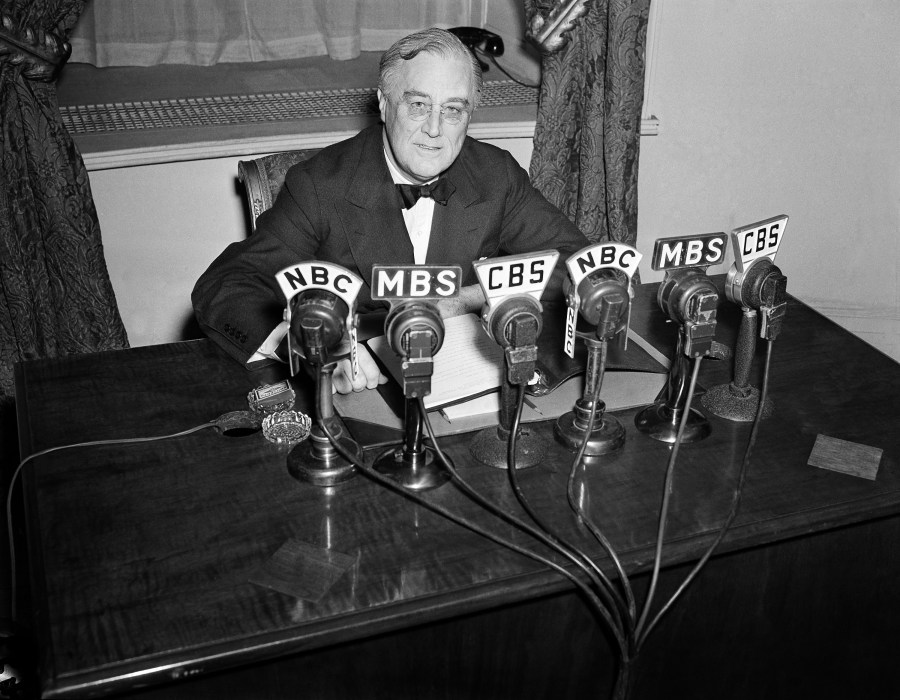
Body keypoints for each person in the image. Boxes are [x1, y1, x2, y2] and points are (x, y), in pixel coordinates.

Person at [192, 27, 588, 393]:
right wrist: (312, 347)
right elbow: (225, 286)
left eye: (453, 110)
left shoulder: (495, 174)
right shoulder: (319, 185)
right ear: (384, 103)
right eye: (418, 105)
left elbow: (578, 264)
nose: (435, 129)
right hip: (365, 382)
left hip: (466, 377)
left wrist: (465, 299)